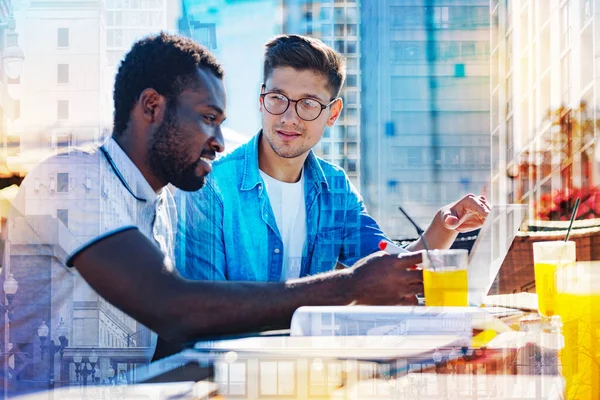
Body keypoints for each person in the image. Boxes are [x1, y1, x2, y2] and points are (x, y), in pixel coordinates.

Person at [3, 32, 423, 395]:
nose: (219, 142)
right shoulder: (71, 179)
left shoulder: (163, 205)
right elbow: (173, 307)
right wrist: (347, 286)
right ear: (152, 107)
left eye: (221, 123)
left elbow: (173, 345)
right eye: (207, 119)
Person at [175, 34, 489, 282]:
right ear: (261, 100)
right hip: (232, 360)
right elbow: (203, 308)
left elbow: (393, 268)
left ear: (333, 113)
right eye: (277, 99)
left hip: (314, 358)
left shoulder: (335, 188)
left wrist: (446, 223)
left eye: (308, 104)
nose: (288, 118)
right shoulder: (212, 186)